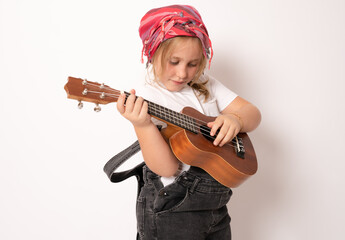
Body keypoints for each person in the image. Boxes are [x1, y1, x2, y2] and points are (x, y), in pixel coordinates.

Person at [116, 4, 261, 240]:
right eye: (174, 62)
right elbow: (167, 169)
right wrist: (142, 125)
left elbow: (252, 113)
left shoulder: (205, 83)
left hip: (216, 206)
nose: (183, 73)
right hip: (173, 210)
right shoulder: (148, 96)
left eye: (192, 64)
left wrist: (235, 118)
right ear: (153, 53)